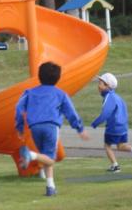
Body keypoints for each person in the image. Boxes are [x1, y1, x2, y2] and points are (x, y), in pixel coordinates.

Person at [15, 61, 89, 197]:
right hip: (51, 126)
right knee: (50, 158)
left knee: (45, 156)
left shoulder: (29, 92)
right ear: (57, 78)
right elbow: (71, 113)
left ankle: (50, 187)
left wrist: (19, 126)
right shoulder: (60, 94)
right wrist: (79, 128)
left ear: (39, 76)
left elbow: (19, 108)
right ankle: (31, 155)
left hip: (34, 127)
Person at [90, 73, 132, 172]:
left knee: (107, 145)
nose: (98, 86)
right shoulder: (117, 97)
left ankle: (115, 166)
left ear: (107, 86)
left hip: (113, 127)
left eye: (100, 83)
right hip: (123, 126)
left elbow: (105, 114)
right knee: (120, 146)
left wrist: (95, 123)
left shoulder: (109, 97)